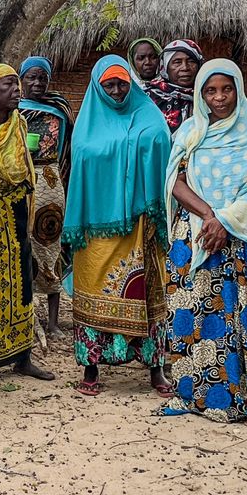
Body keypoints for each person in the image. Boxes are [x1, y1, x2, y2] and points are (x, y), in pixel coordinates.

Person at [160, 59, 247, 426]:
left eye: (226, 89)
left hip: (240, 237)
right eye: (211, 90)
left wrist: (225, 221)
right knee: (192, 314)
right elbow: (175, 182)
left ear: (239, 89)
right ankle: (191, 393)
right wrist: (210, 215)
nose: (219, 97)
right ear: (200, 94)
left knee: (240, 315)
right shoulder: (191, 132)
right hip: (196, 233)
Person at [62, 56, 172, 397]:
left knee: (147, 293)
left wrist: (132, 143)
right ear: (98, 87)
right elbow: (81, 161)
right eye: (108, 85)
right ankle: (92, 369)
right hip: (95, 229)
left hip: (140, 225)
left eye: (122, 84)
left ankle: (156, 369)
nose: (116, 91)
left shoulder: (148, 114)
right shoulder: (86, 124)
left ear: (131, 84)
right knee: (94, 290)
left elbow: (161, 140)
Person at [0, 63, 53, 383]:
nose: (16, 90)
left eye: (16, 84)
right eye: (7, 85)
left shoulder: (19, 126)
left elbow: (24, 170)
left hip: (16, 213)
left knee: (21, 284)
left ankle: (23, 357)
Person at [17, 56, 73, 338]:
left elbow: (68, 149)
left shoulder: (59, 109)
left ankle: (52, 322)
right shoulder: (12, 109)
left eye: (42, 78)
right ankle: (25, 315)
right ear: (21, 79)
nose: (37, 83)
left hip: (50, 182)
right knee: (20, 247)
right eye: (31, 78)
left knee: (50, 246)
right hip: (19, 179)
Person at [146, 38, 204, 132]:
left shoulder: (209, 96)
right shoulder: (148, 99)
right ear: (165, 67)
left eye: (191, 61)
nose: (185, 68)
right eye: (177, 62)